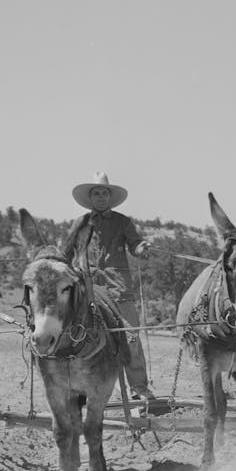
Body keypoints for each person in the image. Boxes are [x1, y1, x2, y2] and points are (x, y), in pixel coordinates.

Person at [65, 171, 155, 400]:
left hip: (119, 290)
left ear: (110, 196)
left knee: (131, 340)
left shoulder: (123, 222)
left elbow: (135, 245)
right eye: (97, 193)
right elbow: (66, 253)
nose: (101, 196)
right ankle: (83, 389)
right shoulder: (80, 224)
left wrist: (142, 249)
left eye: (105, 193)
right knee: (82, 338)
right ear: (91, 196)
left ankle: (139, 389)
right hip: (89, 291)